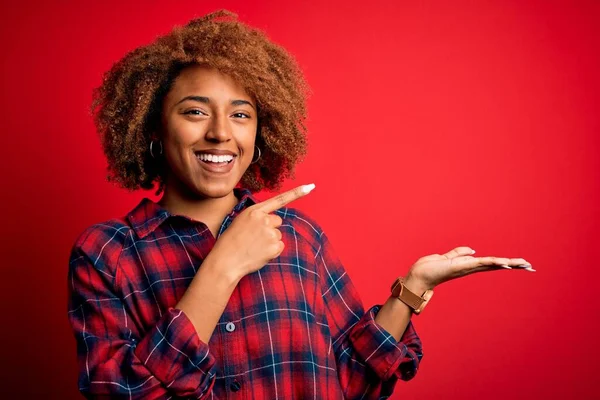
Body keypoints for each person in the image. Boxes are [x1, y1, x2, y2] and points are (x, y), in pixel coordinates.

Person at [67, 10, 534, 399]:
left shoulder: (298, 237)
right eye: (195, 111)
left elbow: (353, 381)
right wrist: (222, 267)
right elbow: (117, 390)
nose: (220, 132)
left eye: (241, 115)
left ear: (259, 131)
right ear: (152, 128)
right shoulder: (108, 254)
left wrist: (410, 291)